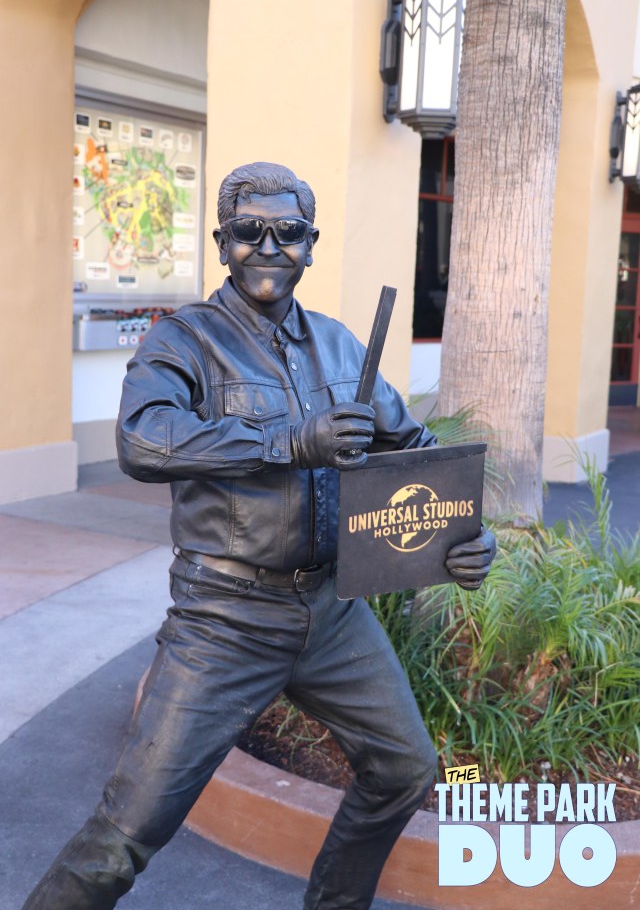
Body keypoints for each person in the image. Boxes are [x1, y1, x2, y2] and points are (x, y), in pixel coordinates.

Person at [23, 162, 496, 910]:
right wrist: (288, 441)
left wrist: (461, 538)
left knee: (404, 770)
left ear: (311, 244)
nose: (268, 247)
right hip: (224, 619)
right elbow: (143, 440)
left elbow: (416, 452)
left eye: (288, 232)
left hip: (333, 615)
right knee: (127, 833)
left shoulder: (342, 347)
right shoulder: (183, 341)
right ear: (222, 243)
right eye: (249, 230)